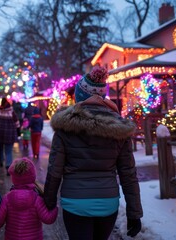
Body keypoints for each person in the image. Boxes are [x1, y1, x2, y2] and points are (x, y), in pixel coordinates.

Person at [43, 66, 143, 240]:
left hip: (75, 203)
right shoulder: (118, 128)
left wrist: (48, 201)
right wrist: (134, 212)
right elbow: (128, 173)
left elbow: (54, 169)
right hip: (107, 202)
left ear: (80, 96)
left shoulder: (65, 127)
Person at [0, 157, 58, 240]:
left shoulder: (7, 199)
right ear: (32, 176)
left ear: (14, 178)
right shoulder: (36, 199)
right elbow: (48, 219)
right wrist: (55, 208)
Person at [0, 97, 20, 176]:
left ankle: (0, 162)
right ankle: (8, 167)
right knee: (8, 151)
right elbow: (17, 122)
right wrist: (18, 131)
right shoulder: (11, 111)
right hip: (9, 134)